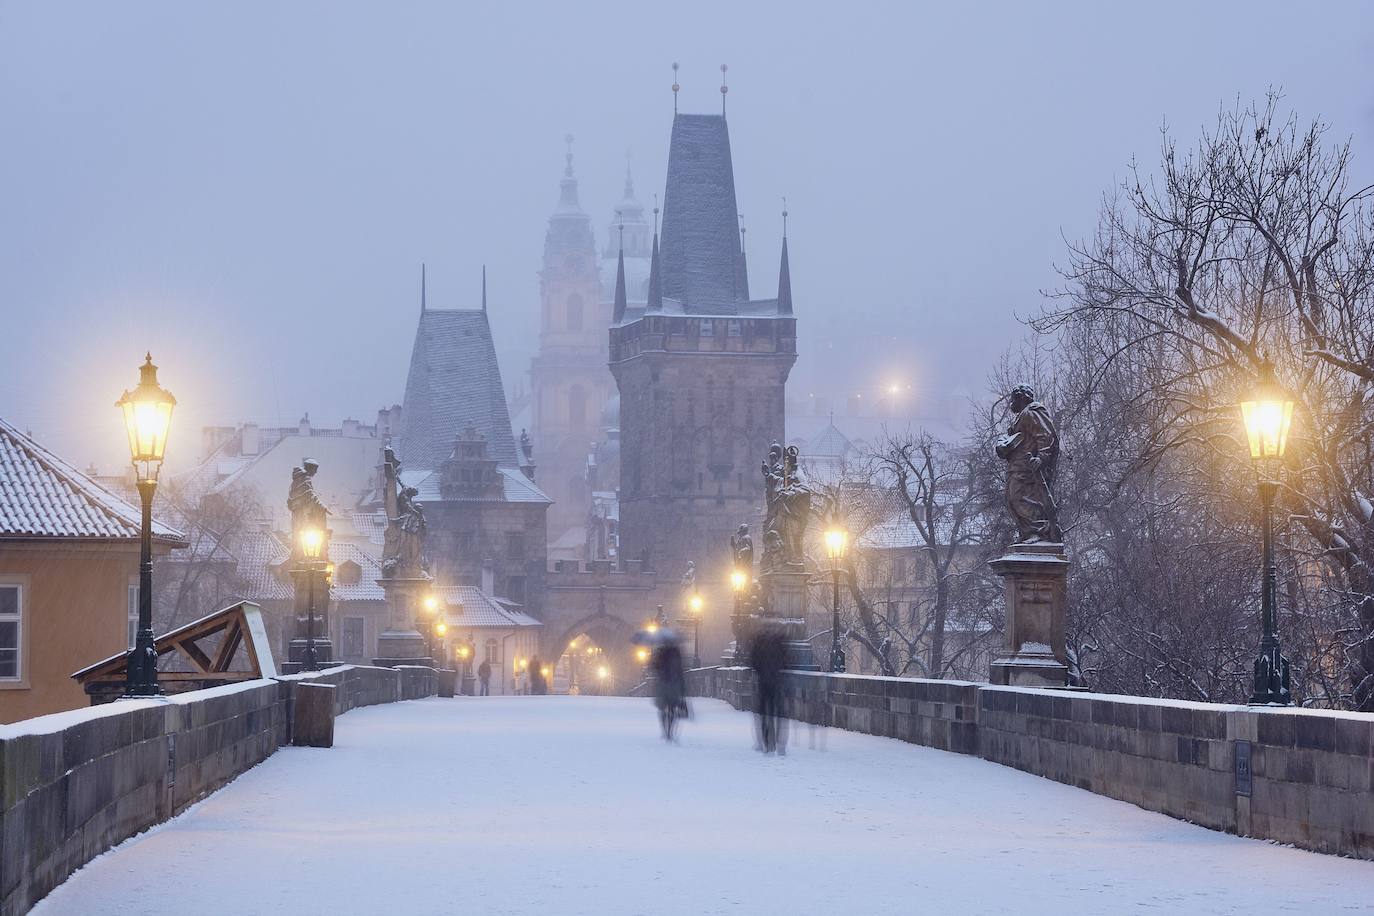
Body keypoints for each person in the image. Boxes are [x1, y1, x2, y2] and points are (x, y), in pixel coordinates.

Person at [749, 620, 788, 754]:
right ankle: (780, 743)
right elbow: (787, 661)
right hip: (777, 681)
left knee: (764, 712)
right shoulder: (780, 641)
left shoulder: (759, 642)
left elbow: (753, 662)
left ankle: (768, 742)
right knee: (778, 712)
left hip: (764, 681)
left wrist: (761, 671)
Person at [649, 636, 689, 741]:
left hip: (663, 683)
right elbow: (680, 670)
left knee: (663, 709)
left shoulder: (660, 652)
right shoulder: (676, 653)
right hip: (673, 684)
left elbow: (653, 667)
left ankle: (665, 730)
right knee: (671, 708)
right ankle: (669, 731)